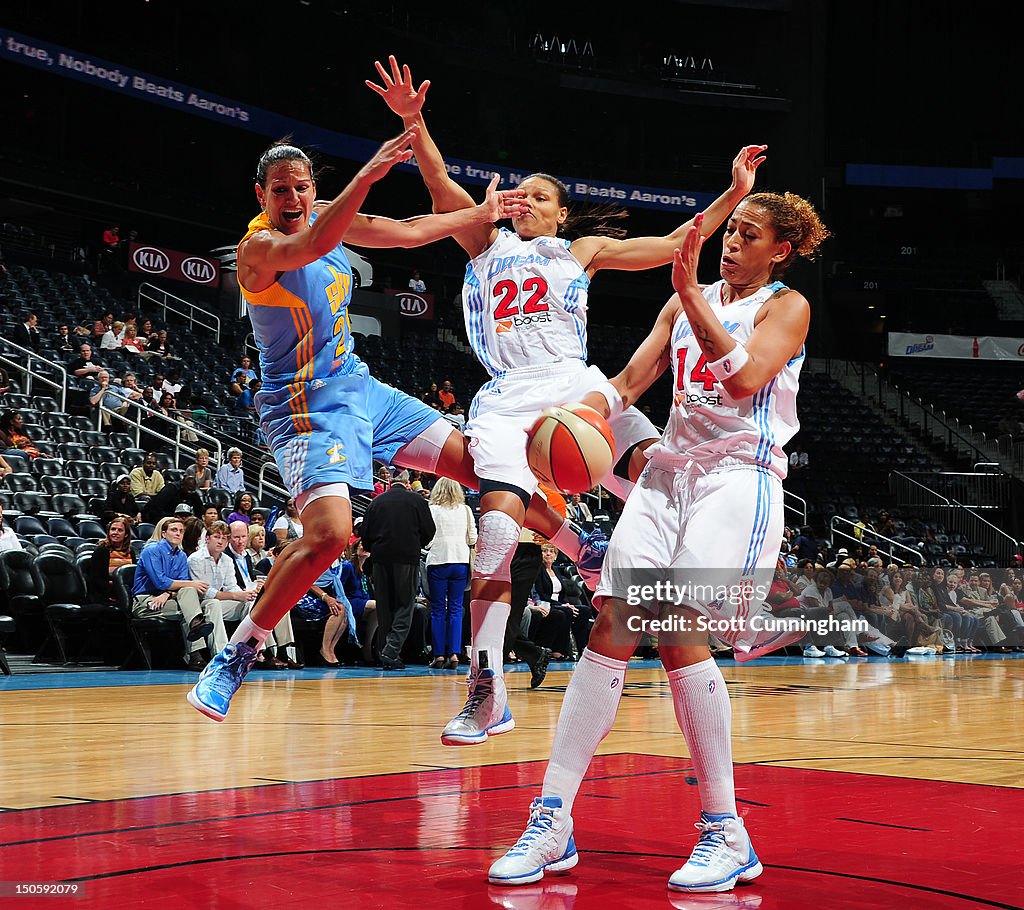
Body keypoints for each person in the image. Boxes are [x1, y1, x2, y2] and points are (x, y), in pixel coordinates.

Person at [369, 56, 767, 745]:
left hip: (568, 380)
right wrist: (414, 120)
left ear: (559, 211)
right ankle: (486, 689)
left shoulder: (578, 250)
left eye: (537, 196)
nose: (522, 200)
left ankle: (724, 578)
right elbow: (437, 182)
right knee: (495, 530)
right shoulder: (481, 242)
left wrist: (732, 194)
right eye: (516, 194)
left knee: (654, 469)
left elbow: (677, 242)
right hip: (501, 401)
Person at [487, 192, 829, 892]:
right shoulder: (683, 300)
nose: (732, 242)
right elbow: (629, 382)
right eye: (730, 230)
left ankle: (725, 830)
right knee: (611, 624)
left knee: (679, 633)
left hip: (740, 474)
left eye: (749, 235)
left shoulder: (784, 307)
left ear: (780, 251)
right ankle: (552, 820)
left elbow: (747, 380)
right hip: (669, 473)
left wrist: (690, 298)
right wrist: (570, 415)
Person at [187, 127, 577, 721]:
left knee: (485, 468)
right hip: (305, 403)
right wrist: (367, 173)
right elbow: (316, 241)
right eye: (280, 191)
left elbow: (409, 232)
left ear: (313, 188)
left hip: (362, 387)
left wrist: (477, 214)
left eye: (301, 187)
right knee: (330, 536)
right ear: (259, 194)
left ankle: (585, 549)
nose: (292, 199)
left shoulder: (324, 215)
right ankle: (235, 657)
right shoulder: (258, 251)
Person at [360, 478, 436, 669]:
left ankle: (386, 654)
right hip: (406, 558)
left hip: (380, 559)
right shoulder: (417, 501)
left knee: (385, 608)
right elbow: (430, 530)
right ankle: (391, 650)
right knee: (405, 606)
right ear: (407, 483)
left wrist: (375, 548)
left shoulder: (375, 502)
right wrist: (416, 544)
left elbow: (365, 534)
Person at [131, 516, 213, 670]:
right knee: (188, 609)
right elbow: (160, 582)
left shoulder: (181, 556)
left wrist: (167, 594)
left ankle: (196, 629)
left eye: (181, 531)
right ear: (163, 533)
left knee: (188, 596)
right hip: (145, 601)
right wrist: (190, 584)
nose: (178, 534)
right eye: (174, 530)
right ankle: (195, 655)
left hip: (167, 600)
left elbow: (181, 586)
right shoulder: (152, 550)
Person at [425, 477, 476, 669]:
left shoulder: (432, 510)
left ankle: (438, 655)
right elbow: (473, 537)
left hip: (438, 560)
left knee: (438, 609)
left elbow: (428, 539)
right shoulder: (466, 510)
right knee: (456, 608)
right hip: (460, 560)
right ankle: (454, 653)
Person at [87, 516, 135, 602]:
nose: (115, 533)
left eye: (120, 530)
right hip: (106, 594)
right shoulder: (102, 551)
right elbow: (96, 580)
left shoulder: (130, 552)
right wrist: (117, 588)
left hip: (127, 592)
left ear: (126, 534)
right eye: (113, 529)